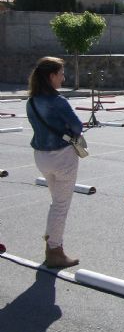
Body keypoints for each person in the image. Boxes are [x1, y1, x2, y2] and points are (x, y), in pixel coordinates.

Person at [26, 57, 84, 269]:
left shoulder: (31, 101)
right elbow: (77, 127)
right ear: (51, 76)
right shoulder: (58, 101)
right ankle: (54, 250)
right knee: (61, 204)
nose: (63, 77)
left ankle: (51, 235)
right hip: (62, 157)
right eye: (60, 73)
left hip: (41, 156)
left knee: (56, 201)